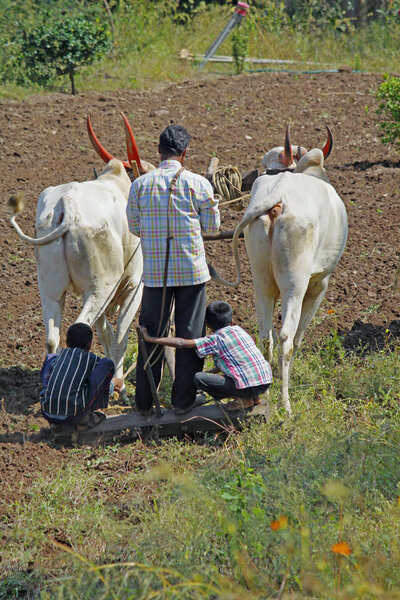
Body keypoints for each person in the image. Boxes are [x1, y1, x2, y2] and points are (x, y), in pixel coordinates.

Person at [126, 124, 220, 416]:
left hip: (155, 276)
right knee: (190, 334)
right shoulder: (198, 184)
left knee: (150, 333)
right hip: (192, 273)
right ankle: (182, 401)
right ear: (185, 153)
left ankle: (144, 403)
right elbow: (213, 228)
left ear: (158, 151)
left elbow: (134, 227)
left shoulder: (139, 185)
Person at [142, 301, 273, 412]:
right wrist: (210, 372)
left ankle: (243, 400)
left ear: (207, 325)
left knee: (199, 378)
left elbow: (181, 343)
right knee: (228, 376)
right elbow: (237, 362)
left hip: (247, 386)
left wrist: (151, 338)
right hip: (265, 381)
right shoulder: (240, 331)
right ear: (232, 321)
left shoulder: (215, 339)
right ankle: (254, 398)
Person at [40, 323, 123, 431]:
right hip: (74, 416)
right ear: (90, 344)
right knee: (107, 363)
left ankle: (55, 424)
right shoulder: (92, 359)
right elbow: (95, 385)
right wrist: (112, 383)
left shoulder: (61, 356)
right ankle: (85, 420)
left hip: (47, 412)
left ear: (66, 343)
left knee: (50, 357)